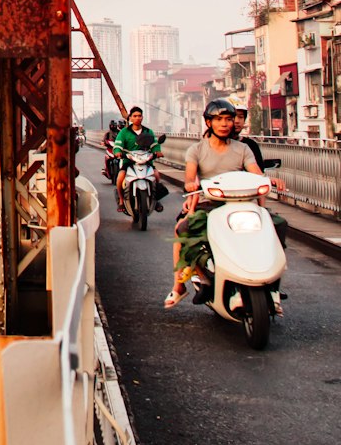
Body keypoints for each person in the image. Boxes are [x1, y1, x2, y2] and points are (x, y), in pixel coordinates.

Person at [164, 98, 286, 309]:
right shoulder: (196, 150)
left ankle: (273, 285)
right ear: (209, 122)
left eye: (229, 119)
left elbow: (255, 172)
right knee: (182, 230)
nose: (224, 124)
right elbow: (190, 177)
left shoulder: (243, 149)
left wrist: (269, 180)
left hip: (243, 204)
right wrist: (191, 185)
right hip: (210, 205)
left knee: (278, 225)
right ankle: (180, 286)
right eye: (219, 119)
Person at [113, 107, 160, 214]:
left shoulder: (148, 131)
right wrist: (117, 152)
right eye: (135, 116)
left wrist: (157, 151)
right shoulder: (124, 132)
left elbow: (155, 145)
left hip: (146, 161)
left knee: (156, 175)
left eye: (139, 116)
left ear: (142, 117)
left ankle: (156, 199)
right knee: (120, 177)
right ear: (130, 118)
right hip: (129, 162)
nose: (137, 118)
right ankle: (121, 200)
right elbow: (118, 145)